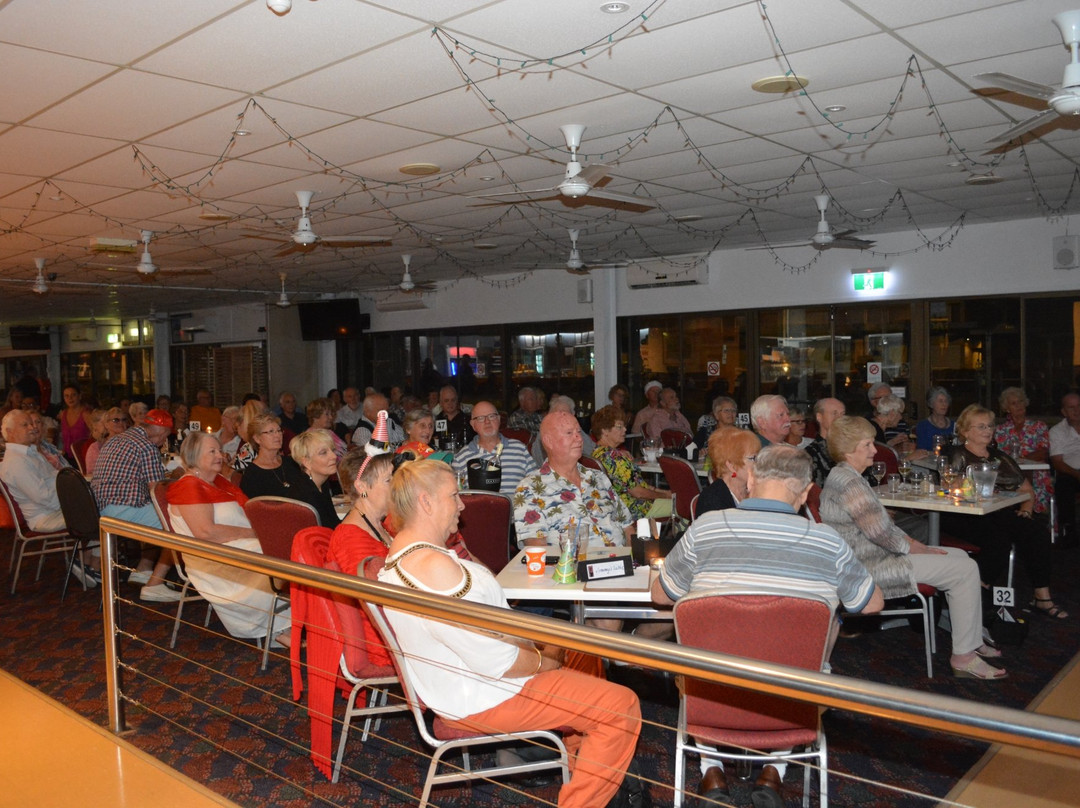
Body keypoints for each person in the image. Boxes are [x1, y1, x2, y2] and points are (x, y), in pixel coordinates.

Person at [379, 460, 642, 808]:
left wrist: (544, 646)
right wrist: (544, 659)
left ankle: (589, 763)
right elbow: (497, 661)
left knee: (582, 647)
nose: (461, 504)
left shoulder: (401, 556)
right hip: (483, 693)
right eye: (454, 495)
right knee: (622, 706)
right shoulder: (436, 570)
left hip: (469, 679)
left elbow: (484, 636)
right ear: (426, 502)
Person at [651, 444, 882, 808]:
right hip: (791, 697)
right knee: (812, 644)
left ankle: (711, 772)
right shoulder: (827, 541)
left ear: (752, 479)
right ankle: (775, 770)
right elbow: (872, 603)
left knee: (699, 654)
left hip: (711, 695)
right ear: (806, 493)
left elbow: (662, 595)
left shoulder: (705, 528)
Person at [820, 416, 1005, 680]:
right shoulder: (850, 483)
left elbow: (884, 531)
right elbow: (882, 534)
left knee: (960, 556)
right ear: (850, 449)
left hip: (872, 556)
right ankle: (963, 656)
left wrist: (919, 546)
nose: (875, 450)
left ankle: (971, 640)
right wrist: (920, 549)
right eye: (868, 444)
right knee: (963, 568)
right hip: (870, 566)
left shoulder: (847, 476)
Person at [166, 432, 291, 644]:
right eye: (212, 451)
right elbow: (207, 533)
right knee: (282, 552)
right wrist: (258, 534)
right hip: (213, 558)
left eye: (220, 451)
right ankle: (279, 628)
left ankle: (291, 621)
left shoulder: (218, 482)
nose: (220, 456)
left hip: (238, 544)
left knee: (291, 543)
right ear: (194, 455)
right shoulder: (188, 485)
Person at [943, 404, 1064, 619]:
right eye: (980, 426)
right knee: (998, 539)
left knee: (1036, 531)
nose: (987, 430)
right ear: (965, 431)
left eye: (990, 425)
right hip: (963, 514)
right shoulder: (956, 454)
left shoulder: (1000, 457)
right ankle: (977, 589)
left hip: (997, 512)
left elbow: (1026, 490)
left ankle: (1041, 596)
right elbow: (950, 488)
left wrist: (1026, 510)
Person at [513, 410, 633, 552]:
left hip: (621, 566)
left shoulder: (598, 477)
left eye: (579, 432)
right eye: (569, 433)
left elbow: (628, 528)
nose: (579, 438)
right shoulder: (530, 488)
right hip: (571, 570)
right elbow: (537, 551)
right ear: (548, 441)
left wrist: (635, 562)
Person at [0, 410, 96, 585]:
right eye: (25, 425)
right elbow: (46, 499)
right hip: (45, 516)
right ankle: (89, 562)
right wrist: (76, 495)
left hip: (55, 507)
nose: (32, 428)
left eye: (31, 423)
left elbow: (56, 478)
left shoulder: (29, 453)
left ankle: (91, 561)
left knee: (101, 503)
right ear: (9, 432)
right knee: (101, 511)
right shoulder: (16, 462)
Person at [93, 408, 179, 601]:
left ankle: (143, 569)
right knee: (177, 521)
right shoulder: (147, 446)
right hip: (121, 510)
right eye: (165, 436)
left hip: (101, 507)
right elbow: (156, 491)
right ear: (161, 434)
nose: (164, 441)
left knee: (154, 512)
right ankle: (155, 584)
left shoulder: (118, 438)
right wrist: (180, 481)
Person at [327, 449, 396, 665]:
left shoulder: (381, 525)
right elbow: (376, 607)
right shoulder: (352, 538)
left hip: (395, 624)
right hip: (385, 641)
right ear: (362, 487)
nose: (397, 485)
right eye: (389, 480)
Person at [240, 413, 338, 527]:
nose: (277, 435)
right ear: (257, 438)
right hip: (277, 526)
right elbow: (253, 512)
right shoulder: (252, 474)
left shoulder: (291, 462)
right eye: (271, 432)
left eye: (279, 430)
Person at [589, 405, 671, 520]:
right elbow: (638, 493)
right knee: (684, 507)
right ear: (605, 431)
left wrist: (665, 492)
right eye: (619, 427)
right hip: (634, 509)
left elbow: (639, 485)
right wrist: (665, 496)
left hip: (616, 508)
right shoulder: (615, 458)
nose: (625, 430)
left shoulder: (596, 454)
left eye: (624, 426)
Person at [452, 401, 537, 495]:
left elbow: (537, 483)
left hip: (514, 508)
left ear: (499, 419)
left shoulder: (519, 449)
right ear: (473, 425)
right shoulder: (461, 458)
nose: (487, 421)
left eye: (491, 416)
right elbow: (456, 496)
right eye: (480, 418)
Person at [994, 386, 1051, 515]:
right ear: (1007, 408)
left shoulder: (1038, 426)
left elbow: (1043, 452)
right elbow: (1000, 456)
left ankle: (1033, 516)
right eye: (1013, 403)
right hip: (1010, 474)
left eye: (1020, 401)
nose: (1019, 405)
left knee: (1031, 479)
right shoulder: (1000, 430)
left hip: (1037, 474)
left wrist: (1020, 460)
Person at [695, 427, 761, 517]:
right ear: (731, 466)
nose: (759, 463)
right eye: (753, 458)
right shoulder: (712, 500)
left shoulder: (756, 491)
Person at [287, 429, 343, 527]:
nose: (334, 456)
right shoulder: (304, 493)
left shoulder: (321, 483)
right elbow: (326, 531)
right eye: (323, 452)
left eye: (333, 450)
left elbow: (334, 523)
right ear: (306, 462)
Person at [1050, 391, 1080, 544]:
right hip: (1070, 472)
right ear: (1064, 412)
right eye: (1072, 407)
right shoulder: (1057, 432)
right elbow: (1058, 463)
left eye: (1079, 406)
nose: (1077, 411)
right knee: (1064, 485)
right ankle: (1069, 531)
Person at [806, 397, 846, 487]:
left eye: (842, 414)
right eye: (834, 413)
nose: (840, 418)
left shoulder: (851, 447)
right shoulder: (810, 454)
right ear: (819, 417)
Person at [85, 406, 127, 475]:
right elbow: (92, 474)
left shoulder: (130, 442)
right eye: (116, 420)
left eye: (124, 419)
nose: (121, 423)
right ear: (107, 424)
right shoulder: (96, 448)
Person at [915, 386, 955, 452]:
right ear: (931, 404)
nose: (944, 404)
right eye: (940, 401)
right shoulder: (923, 426)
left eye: (946, 401)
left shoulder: (954, 425)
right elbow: (921, 450)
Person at [58, 384, 93, 458]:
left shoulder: (86, 414)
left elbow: (94, 436)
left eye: (73, 395)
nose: (70, 398)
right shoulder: (63, 414)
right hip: (67, 456)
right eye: (66, 396)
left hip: (83, 456)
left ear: (79, 396)